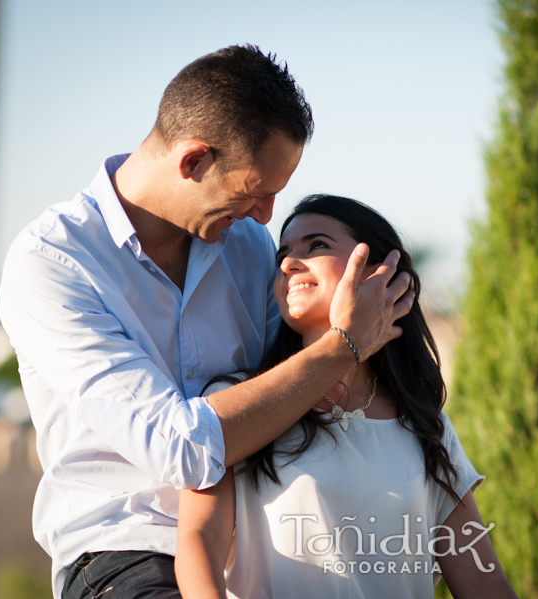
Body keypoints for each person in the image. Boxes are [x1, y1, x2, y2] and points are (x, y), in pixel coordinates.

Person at [0, 47, 413, 599]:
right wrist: (341, 346)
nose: (266, 216)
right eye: (254, 191)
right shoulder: (54, 263)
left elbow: (288, 381)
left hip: (264, 544)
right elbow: (182, 450)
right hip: (128, 556)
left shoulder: (246, 245)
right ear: (193, 161)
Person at [174, 195, 518, 599]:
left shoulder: (426, 425)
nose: (288, 263)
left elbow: (484, 583)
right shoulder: (236, 400)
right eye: (282, 254)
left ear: (381, 273)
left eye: (316, 245)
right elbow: (199, 543)